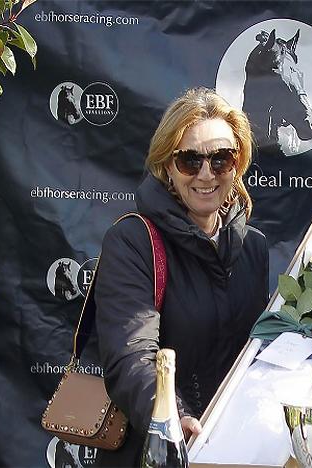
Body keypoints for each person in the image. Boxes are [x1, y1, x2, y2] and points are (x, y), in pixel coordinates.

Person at [93, 87, 269, 466]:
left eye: (221, 159)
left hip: (232, 452)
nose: (206, 174)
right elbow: (132, 356)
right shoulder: (133, 242)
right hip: (157, 451)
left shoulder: (254, 248)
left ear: (237, 165)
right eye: (190, 160)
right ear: (167, 167)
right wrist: (173, 417)